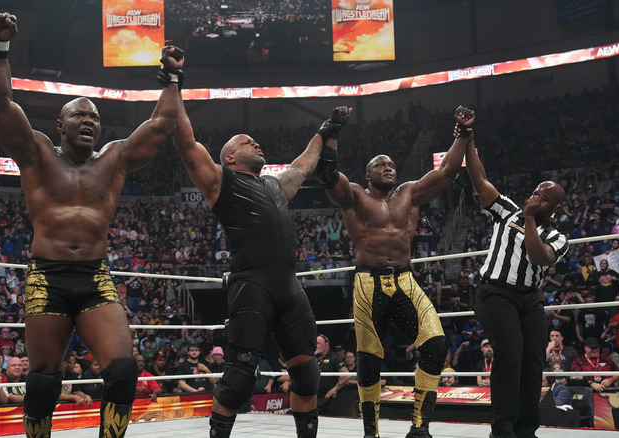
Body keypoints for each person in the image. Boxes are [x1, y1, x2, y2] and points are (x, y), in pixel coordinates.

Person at [0, 12, 183, 438]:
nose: (89, 121)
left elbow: (162, 126)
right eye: (80, 115)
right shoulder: (37, 153)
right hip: (47, 275)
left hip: (95, 276)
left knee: (123, 369)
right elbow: (1, 103)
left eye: (94, 116)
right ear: (60, 125)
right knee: (43, 379)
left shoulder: (114, 159)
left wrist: (171, 77)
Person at [172, 72, 353, 436]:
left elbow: (303, 164)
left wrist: (326, 128)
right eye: (246, 142)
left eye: (255, 140)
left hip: (289, 287)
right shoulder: (221, 181)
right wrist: (173, 83)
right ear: (229, 156)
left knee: (307, 375)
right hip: (251, 285)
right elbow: (186, 141)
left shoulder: (274, 185)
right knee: (239, 376)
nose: (255, 143)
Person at [322, 106, 474, 438]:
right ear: (368, 175)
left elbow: (446, 171)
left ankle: (419, 427)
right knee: (369, 358)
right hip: (368, 282)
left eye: (391, 164)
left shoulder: (409, 193)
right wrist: (332, 130)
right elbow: (328, 174)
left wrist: (462, 134)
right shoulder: (355, 196)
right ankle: (371, 433)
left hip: (405, 280)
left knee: (436, 346)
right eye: (380, 165)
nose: (388, 168)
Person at [464, 124, 569, 438]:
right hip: (495, 293)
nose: (536, 198)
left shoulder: (558, 237)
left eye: (544, 198)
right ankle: (503, 428)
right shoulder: (507, 210)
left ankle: (526, 429)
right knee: (510, 355)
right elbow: (480, 179)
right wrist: (469, 140)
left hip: (530, 299)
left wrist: (530, 218)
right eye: (536, 192)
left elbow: (538, 257)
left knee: (533, 360)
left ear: (555, 208)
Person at [315, 335, 350, 416]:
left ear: (326, 344)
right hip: (314, 397)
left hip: (329, 399)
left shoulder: (335, 358)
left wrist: (334, 389)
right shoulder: (313, 358)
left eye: (318, 343)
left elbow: (347, 376)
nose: (315, 346)